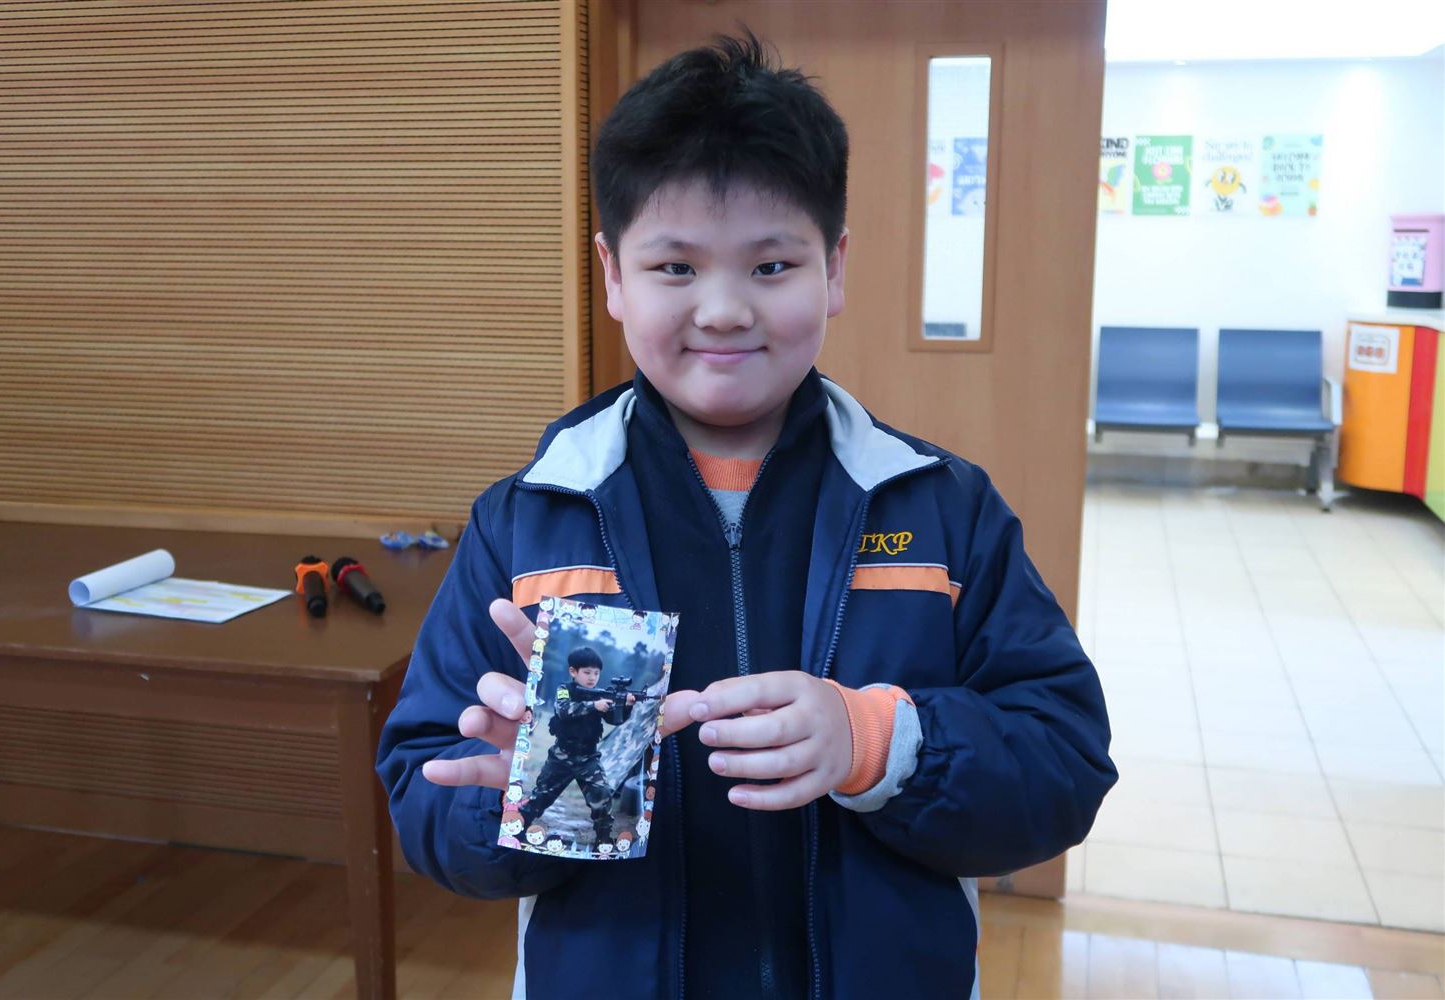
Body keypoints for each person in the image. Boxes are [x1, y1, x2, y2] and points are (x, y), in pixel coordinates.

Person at [376, 31, 1116, 1000]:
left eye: (770, 266)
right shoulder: (531, 517)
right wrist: (543, 795)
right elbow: (424, 786)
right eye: (675, 268)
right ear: (612, 274)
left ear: (834, 268)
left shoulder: (942, 507)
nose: (723, 310)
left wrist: (873, 740)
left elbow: (1064, 760)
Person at [516, 646, 634, 845]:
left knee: (602, 796)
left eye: (596, 673)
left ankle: (603, 842)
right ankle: (517, 829)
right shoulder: (565, 690)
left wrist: (626, 705)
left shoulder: (600, 695)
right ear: (573, 671)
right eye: (587, 672)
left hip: (589, 758)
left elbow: (615, 720)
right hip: (561, 756)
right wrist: (593, 706)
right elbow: (563, 710)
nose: (592, 677)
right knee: (541, 798)